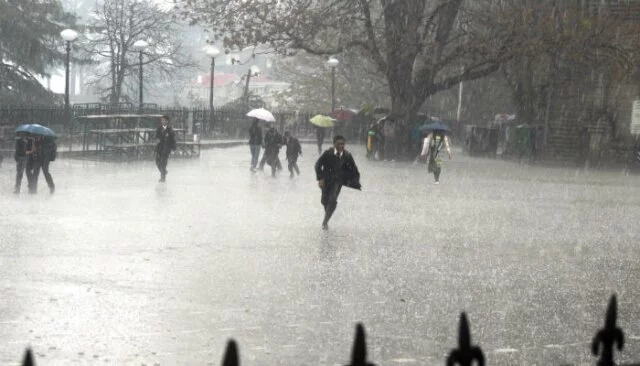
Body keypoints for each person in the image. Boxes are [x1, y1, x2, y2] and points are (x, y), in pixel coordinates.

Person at [315, 135, 361, 230]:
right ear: (334, 143)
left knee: (332, 200)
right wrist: (320, 178)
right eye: (339, 144)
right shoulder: (328, 153)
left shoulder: (347, 156)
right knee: (324, 201)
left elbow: (353, 169)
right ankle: (328, 214)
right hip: (326, 180)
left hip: (337, 182)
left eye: (343, 144)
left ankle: (325, 222)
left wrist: (354, 181)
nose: (341, 146)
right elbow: (317, 165)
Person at [155, 115, 176, 182]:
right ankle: (164, 171)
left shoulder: (170, 130)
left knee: (163, 162)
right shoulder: (159, 128)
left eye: (164, 120)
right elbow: (156, 136)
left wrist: (173, 148)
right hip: (160, 147)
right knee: (157, 161)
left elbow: (173, 139)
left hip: (167, 148)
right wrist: (157, 139)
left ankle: (163, 177)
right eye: (161, 120)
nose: (162, 121)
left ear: (167, 121)